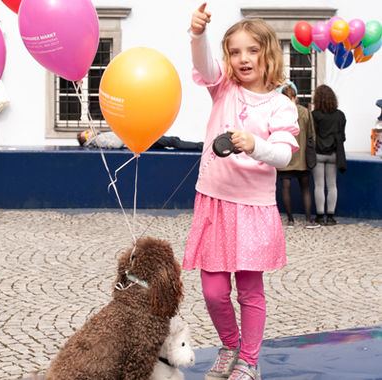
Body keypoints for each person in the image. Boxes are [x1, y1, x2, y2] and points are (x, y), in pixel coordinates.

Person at [183, 3, 299, 380]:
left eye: (252, 50)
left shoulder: (281, 106)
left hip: (252, 208)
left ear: (268, 55)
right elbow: (203, 65)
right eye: (235, 51)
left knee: (250, 291)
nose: (243, 58)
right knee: (214, 292)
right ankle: (230, 346)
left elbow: (282, 156)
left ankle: (249, 361)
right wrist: (198, 34)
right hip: (214, 202)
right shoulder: (224, 88)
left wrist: (254, 144)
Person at [277, 84, 320, 229]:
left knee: (285, 188)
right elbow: (311, 135)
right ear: (296, 97)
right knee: (305, 188)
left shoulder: (278, 113)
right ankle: (308, 220)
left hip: (285, 155)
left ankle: (290, 220)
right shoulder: (305, 112)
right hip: (302, 157)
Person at [311, 84, 346, 226]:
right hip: (334, 153)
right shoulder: (340, 115)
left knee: (319, 185)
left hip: (318, 153)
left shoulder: (314, 115)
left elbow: (311, 135)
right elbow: (342, 136)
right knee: (332, 185)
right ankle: (330, 216)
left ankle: (320, 216)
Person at [77, 130, 204, 150]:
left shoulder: (99, 138)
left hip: (137, 139)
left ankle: (199, 146)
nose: (89, 130)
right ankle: (200, 146)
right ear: (87, 139)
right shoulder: (98, 140)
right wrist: (125, 133)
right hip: (137, 141)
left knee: (169, 141)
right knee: (172, 141)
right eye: (87, 133)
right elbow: (116, 144)